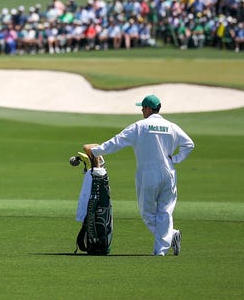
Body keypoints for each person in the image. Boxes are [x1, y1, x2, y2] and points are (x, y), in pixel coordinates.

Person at [83, 94, 194, 256]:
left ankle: (170, 237)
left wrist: (95, 151)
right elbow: (189, 144)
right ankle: (161, 249)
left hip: (148, 174)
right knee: (165, 211)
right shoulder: (171, 126)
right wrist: (175, 159)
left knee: (147, 213)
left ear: (148, 108)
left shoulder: (139, 126)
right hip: (169, 172)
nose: (141, 110)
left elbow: (117, 142)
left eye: (143, 107)